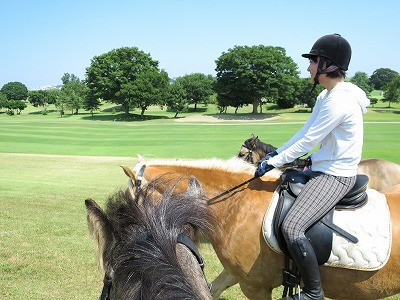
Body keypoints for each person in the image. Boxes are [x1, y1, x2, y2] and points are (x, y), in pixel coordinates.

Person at [255, 33, 370, 300]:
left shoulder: (340, 100)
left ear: (326, 64)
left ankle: (313, 293)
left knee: (292, 227)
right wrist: (275, 155)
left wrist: (274, 163)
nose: (308, 67)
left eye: (312, 61)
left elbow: (309, 141)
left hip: (336, 176)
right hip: (322, 169)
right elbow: (304, 131)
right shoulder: (325, 97)